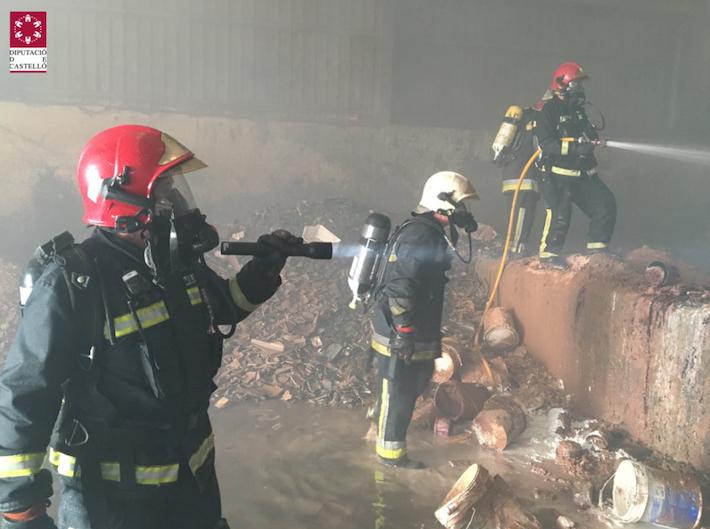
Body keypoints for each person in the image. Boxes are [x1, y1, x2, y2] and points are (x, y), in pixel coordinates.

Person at [0, 125, 300, 529]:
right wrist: (21, 510)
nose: (175, 204)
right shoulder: (74, 281)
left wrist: (263, 271)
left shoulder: (171, 265)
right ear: (122, 203)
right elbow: (25, 394)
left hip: (192, 487)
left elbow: (222, 308)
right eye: (163, 192)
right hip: (112, 503)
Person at [369, 171, 478, 469]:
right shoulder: (420, 234)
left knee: (417, 378)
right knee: (400, 391)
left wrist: (459, 224)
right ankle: (390, 457)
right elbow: (400, 285)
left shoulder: (431, 231)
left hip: (418, 328)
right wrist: (403, 330)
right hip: (401, 329)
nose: (463, 210)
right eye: (460, 205)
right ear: (443, 203)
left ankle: (377, 416)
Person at [534, 62, 616, 268]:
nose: (580, 89)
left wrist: (591, 139)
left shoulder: (578, 111)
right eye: (576, 84)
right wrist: (575, 148)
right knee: (560, 214)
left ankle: (597, 250)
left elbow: (586, 133)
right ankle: (549, 255)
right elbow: (546, 143)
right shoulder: (548, 110)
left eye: (580, 85)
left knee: (604, 203)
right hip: (557, 176)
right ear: (562, 84)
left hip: (582, 174)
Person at [493, 104, 544, 257]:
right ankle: (516, 250)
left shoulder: (524, 120)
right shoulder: (540, 121)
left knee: (515, 213)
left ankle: (512, 246)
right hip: (524, 176)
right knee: (524, 212)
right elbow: (541, 150)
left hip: (511, 174)